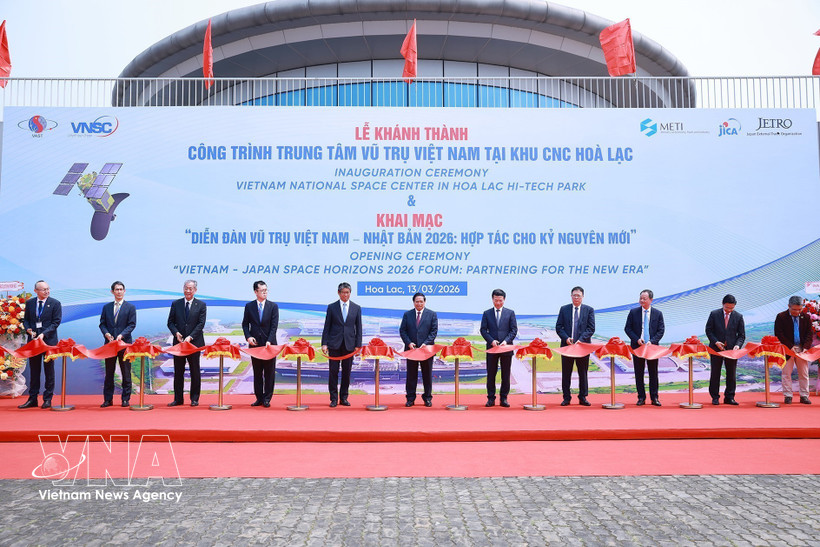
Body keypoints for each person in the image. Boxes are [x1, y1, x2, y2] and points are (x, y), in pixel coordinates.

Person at [19, 280, 62, 409]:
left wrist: (43, 334)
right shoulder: (30, 303)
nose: (46, 291)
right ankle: (33, 399)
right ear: (36, 291)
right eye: (43, 289)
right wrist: (28, 329)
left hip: (48, 342)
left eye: (48, 289)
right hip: (33, 342)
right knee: (34, 370)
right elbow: (26, 320)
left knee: (49, 370)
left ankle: (47, 398)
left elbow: (56, 322)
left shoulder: (55, 303)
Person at [166, 279, 206, 407]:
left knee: (195, 371)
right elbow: (170, 322)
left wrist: (190, 337)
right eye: (186, 288)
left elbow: (200, 324)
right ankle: (178, 399)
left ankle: (194, 398)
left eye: (190, 288)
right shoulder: (176, 304)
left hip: (194, 343)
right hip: (179, 343)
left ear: (195, 290)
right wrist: (176, 333)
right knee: (178, 371)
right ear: (183, 288)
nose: (188, 291)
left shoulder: (201, 305)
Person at [321, 282, 362, 407]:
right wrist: (324, 343)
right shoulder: (332, 307)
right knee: (333, 372)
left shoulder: (356, 307)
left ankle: (344, 397)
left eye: (347, 292)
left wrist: (358, 345)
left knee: (346, 373)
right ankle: (333, 398)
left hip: (349, 345)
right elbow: (327, 326)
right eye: (343, 292)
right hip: (334, 344)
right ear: (339, 293)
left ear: (350, 293)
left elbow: (358, 328)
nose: (345, 295)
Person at [555, 286, 595, 406]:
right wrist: (566, 338)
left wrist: (581, 340)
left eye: (578, 295)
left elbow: (591, 328)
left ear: (583, 297)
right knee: (566, 372)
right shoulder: (564, 309)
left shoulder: (589, 310)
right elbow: (559, 327)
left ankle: (583, 397)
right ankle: (566, 397)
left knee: (583, 372)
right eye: (574, 295)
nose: (576, 297)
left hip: (582, 347)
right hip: (567, 346)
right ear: (571, 296)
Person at [99, 281, 137, 408]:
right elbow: (102, 324)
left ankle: (125, 399)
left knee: (126, 372)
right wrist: (106, 334)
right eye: (117, 289)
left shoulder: (130, 307)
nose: (119, 292)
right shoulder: (106, 307)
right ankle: (107, 400)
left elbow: (132, 324)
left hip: (124, 344)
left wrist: (121, 335)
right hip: (109, 345)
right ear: (112, 292)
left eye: (121, 289)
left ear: (124, 291)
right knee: (109, 372)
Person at [624, 289, 665, 406]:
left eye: (644, 298)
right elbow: (627, 328)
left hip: (652, 348)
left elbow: (661, 330)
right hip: (638, 347)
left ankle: (654, 398)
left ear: (651, 300)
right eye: (640, 298)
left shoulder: (658, 313)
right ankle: (641, 397)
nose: (641, 300)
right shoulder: (633, 312)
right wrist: (637, 339)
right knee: (639, 373)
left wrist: (652, 341)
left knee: (653, 373)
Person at [242, 280, 279, 407]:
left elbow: (274, 326)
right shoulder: (249, 306)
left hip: (269, 345)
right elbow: (245, 324)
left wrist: (269, 340)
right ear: (255, 292)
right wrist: (248, 337)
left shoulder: (273, 306)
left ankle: (267, 398)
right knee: (257, 372)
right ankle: (259, 398)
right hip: (255, 345)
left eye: (266, 290)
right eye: (262, 290)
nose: (265, 292)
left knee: (269, 373)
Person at [704, 294, 745, 405]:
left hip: (732, 350)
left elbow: (741, 335)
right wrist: (716, 342)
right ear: (723, 304)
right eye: (727, 308)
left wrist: (737, 345)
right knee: (715, 373)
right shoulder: (714, 314)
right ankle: (715, 397)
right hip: (716, 349)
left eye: (731, 308)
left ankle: (729, 397)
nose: (729, 310)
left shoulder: (738, 316)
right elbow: (709, 330)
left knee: (731, 374)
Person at [480, 289, 518, 407]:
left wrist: (506, 341)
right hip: (492, 349)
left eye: (500, 300)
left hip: (506, 349)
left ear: (504, 300)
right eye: (496, 300)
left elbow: (514, 330)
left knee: (505, 375)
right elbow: (483, 330)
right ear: (492, 299)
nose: (498, 303)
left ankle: (504, 398)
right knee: (491, 374)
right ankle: (491, 398)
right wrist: (491, 341)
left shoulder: (510, 313)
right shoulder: (487, 313)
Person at [399, 292, 439, 407]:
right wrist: (409, 343)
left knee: (427, 375)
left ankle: (427, 398)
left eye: (421, 301)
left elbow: (433, 332)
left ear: (425, 302)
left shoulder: (432, 314)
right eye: (417, 301)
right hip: (412, 350)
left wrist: (425, 343)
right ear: (413, 302)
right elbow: (403, 331)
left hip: (426, 351)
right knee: (411, 375)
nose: (419, 303)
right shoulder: (407, 315)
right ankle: (410, 398)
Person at [774, 295, 812, 404]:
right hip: (787, 349)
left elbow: (809, 334)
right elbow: (779, 334)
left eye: (800, 309)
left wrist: (804, 347)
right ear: (789, 306)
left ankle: (804, 396)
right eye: (794, 309)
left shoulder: (806, 317)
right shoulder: (781, 317)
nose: (797, 312)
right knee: (786, 373)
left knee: (804, 373)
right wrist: (790, 347)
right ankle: (788, 395)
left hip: (801, 349)